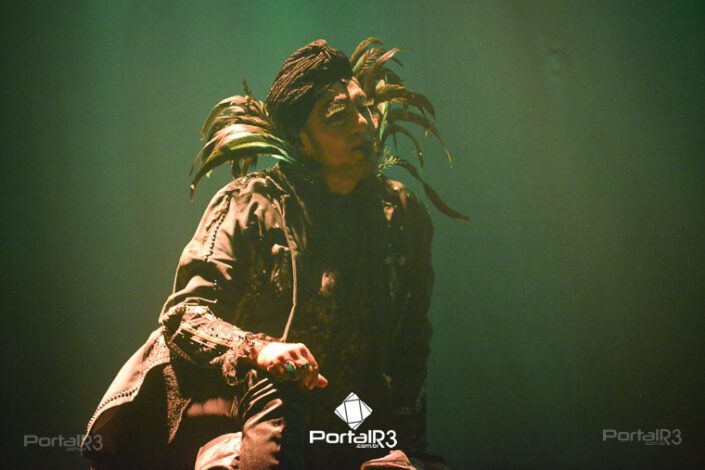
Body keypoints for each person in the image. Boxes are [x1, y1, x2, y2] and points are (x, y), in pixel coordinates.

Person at [82, 38, 464, 469]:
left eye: (363, 108)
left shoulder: (400, 214)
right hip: (230, 396)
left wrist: (400, 442)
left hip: (336, 401)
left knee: (385, 448)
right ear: (303, 140)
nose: (362, 123)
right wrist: (259, 350)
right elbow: (184, 316)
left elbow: (411, 341)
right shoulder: (251, 203)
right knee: (281, 397)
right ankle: (222, 451)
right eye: (338, 115)